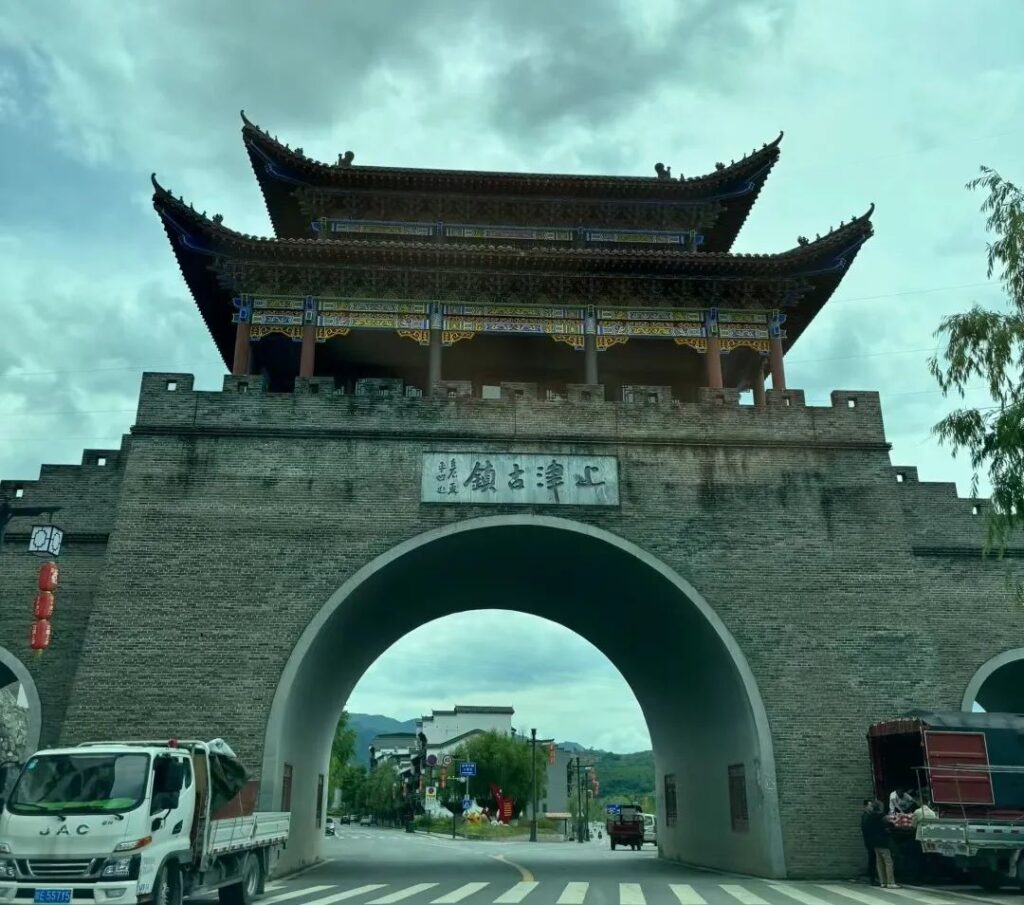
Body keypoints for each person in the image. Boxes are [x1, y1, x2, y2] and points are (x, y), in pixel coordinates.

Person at [865, 801, 898, 888]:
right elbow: (890, 825)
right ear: (880, 807)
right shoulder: (883, 816)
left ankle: (882, 882)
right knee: (888, 862)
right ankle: (890, 882)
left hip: (874, 843)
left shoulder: (870, 817)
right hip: (883, 842)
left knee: (879, 862)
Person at [861, 800, 880, 885]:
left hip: (870, 841)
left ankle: (872, 877)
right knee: (872, 859)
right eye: (870, 806)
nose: (871, 807)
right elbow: (867, 829)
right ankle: (872, 878)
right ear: (865, 807)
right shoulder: (866, 816)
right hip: (870, 841)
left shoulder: (868, 816)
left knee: (873, 858)